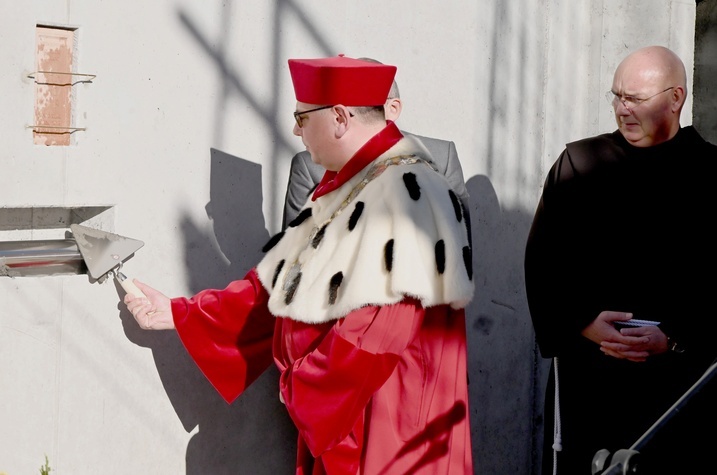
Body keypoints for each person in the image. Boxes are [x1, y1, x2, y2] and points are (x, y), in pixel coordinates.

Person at [125, 55, 476, 474]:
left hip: (389, 422)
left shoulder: (408, 194)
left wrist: (300, 386)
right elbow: (281, 282)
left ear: (341, 117)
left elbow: (373, 336)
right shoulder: (350, 182)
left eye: (303, 118)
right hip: (350, 416)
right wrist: (182, 314)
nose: (296, 130)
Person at [524, 45, 717, 475]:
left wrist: (677, 338)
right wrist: (583, 323)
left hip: (682, 380)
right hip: (591, 376)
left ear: (676, 98)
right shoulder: (579, 164)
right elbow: (543, 264)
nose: (622, 110)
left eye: (635, 99)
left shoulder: (713, 174)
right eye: (616, 96)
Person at [282, 58, 469, 230]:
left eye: (370, 105)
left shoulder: (440, 156)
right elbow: (289, 251)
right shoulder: (310, 163)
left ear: (393, 108)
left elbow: (460, 242)